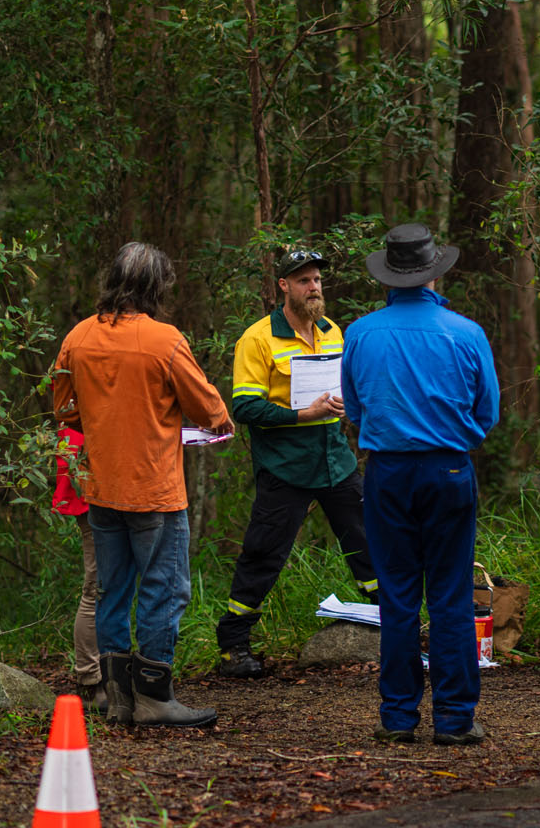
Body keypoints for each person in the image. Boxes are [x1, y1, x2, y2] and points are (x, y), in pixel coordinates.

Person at [52, 242, 231, 728]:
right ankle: (154, 696)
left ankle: (118, 697)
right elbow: (210, 410)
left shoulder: (79, 337)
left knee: (113, 590)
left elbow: (64, 409)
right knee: (164, 589)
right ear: (155, 287)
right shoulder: (164, 340)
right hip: (155, 488)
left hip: (100, 486)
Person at [341, 224, 500, 746]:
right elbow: (487, 413)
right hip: (449, 470)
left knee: (398, 597)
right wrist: (453, 439)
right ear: (435, 273)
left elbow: (356, 410)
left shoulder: (362, 333)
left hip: (387, 473)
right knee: (450, 595)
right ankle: (454, 720)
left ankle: (398, 717)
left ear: (388, 276)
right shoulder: (466, 332)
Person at [215, 249, 379, 678]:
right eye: (304, 281)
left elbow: (346, 385)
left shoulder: (332, 331)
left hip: (335, 461)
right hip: (286, 466)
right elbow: (246, 408)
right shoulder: (257, 339)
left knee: (368, 540)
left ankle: (394, 626)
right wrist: (301, 414)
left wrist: (347, 403)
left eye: (318, 280)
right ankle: (234, 644)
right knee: (264, 552)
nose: (314, 288)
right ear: (283, 286)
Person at [53, 426, 103, 710]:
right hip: (87, 469)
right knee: (96, 586)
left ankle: (107, 673)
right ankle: (90, 680)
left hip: (96, 464)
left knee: (107, 585)